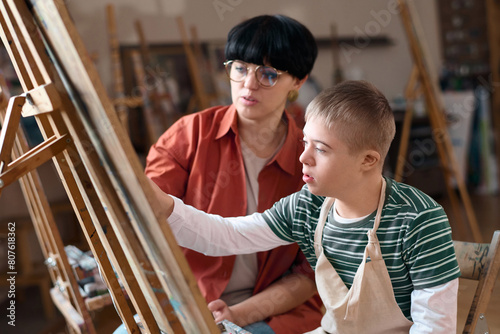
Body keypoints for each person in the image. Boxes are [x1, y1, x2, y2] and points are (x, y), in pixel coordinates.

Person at [151, 80, 461, 334]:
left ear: (368, 160)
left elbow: (434, 327)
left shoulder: (419, 219)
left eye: (321, 149)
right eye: (305, 143)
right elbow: (228, 235)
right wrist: (164, 206)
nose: (303, 157)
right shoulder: (308, 207)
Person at [145, 15, 323, 334]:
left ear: (298, 81)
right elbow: (147, 223)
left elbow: (310, 273)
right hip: (190, 301)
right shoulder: (187, 136)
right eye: (239, 68)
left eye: (268, 74)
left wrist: (237, 315)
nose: (248, 85)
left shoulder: (311, 159)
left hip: (273, 309)